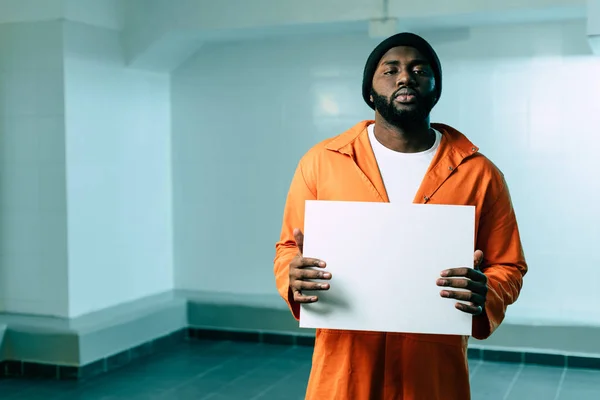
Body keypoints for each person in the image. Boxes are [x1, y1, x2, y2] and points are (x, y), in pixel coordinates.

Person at [273, 32, 527, 400]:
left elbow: (508, 264)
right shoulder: (321, 162)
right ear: (370, 92)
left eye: (419, 70)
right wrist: (292, 274)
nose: (405, 77)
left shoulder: (479, 173)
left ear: (436, 89)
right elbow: (287, 247)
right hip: (346, 364)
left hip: (432, 367)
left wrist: (484, 292)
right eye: (390, 70)